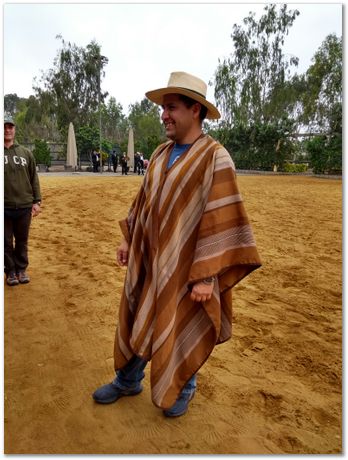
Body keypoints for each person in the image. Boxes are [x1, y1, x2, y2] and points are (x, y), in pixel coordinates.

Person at [93, 72, 262, 417]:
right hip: (152, 260)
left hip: (189, 270)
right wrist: (129, 238)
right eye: (163, 108)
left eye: (171, 107)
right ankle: (128, 379)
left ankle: (184, 384)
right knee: (141, 308)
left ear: (195, 109)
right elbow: (144, 200)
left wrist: (207, 276)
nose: (164, 115)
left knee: (181, 317)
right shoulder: (159, 153)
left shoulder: (216, 158)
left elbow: (222, 219)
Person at [4, 116, 42, 286]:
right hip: (3, 206)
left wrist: (37, 201)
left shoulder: (26, 153)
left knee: (22, 240)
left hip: (25, 205)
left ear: (15, 129)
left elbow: (34, 178)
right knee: (5, 241)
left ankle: (21, 269)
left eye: (10, 127)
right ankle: (10, 272)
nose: (7, 130)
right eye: (4, 127)